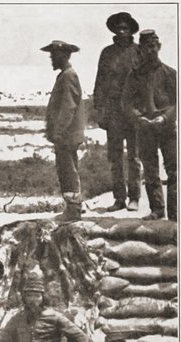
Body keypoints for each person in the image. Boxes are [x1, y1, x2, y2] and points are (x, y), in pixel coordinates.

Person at [122, 29, 177, 221]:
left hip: (167, 127)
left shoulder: (170, 73)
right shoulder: (134, 76)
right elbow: (126, 104)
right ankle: (157, 210)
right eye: (146, 48)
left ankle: (175, 214)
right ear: (141, 50)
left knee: (174, 170)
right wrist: (138, 118)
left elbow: (176, 103)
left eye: (153, 46)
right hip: (145, 128)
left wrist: (165, 118)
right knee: (151, 170)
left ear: (159, 47)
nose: (151, 51)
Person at [93, 13, 142, 212]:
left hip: (133, 110)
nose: (122, 31)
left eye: (125, 28)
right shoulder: (107, 53)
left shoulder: (139, 52)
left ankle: (135, 198)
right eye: (118, 28)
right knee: (115, 157)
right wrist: (99, 108)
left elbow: (147, 83)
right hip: (113, 111)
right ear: (114, 31)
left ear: (131, 30)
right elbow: (100, 82)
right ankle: (119, 199)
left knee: (134, 156)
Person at [41, 40, 87, 223]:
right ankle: (72, 208)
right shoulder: (65, 75)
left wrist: (58, 131)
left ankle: (74, 209)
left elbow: (68, 107)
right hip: (66, 134)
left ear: (64, 56)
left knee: (68, 170)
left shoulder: (68, 76)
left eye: (54, 56)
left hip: (67, 135)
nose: (51, 59)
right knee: (66, 169)